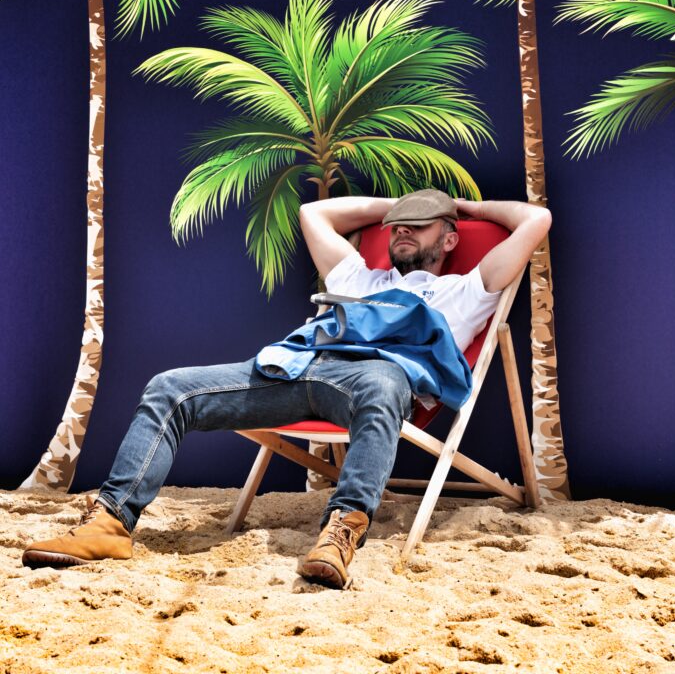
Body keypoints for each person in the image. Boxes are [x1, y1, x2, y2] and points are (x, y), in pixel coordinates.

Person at [22, 189, 551, 589]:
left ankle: (340, 532)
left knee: (386, 379)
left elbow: (536, 220)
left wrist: (461, 206)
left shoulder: (466, 290)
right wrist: (401, 205)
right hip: (295, 369)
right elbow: (313, 213)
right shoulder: (358, 278)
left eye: (418, 225)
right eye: (396, 226)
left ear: (451, 238)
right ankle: (110, 523)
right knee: (170, 388)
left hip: (373, 381)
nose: (401, 231)